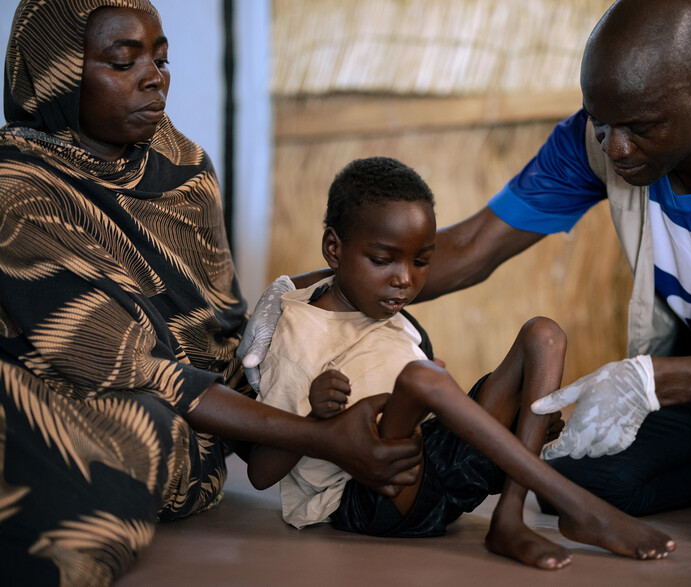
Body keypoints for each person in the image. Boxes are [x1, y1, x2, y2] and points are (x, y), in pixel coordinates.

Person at [240, 0, 691, 557]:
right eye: (602, 124)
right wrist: (306, 292)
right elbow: (470, 245)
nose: (617, 148)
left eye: (640, 127)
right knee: (576, 475)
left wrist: (655, 379)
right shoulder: (599, 137)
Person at [0, 2, 424, 585]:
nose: (154, 77)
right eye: (123, 63)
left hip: (196, 436)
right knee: (130, 428)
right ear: (57, 74)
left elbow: (226, 340)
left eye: (161, 57)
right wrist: (321, 438)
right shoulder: (18, 192)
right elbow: (132, 368)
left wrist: (319, 367)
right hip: (83, 403)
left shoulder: (185, 169)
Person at [248, 156, 676, 569]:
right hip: (368, 495)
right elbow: (262, 473)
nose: (405, 279)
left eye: (421, 261)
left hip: (433, 462)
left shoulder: (383, 308)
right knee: (422, 378)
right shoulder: (300, 340)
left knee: (542, 335)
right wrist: (315, 416)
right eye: (383, 260)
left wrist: (515, 417)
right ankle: (577, 504)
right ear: (333, 248)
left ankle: (508, 517)